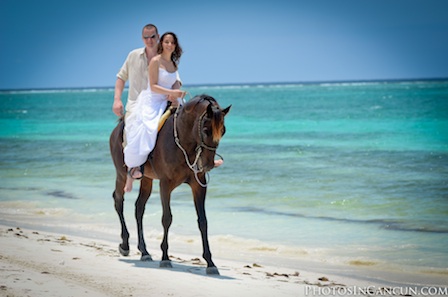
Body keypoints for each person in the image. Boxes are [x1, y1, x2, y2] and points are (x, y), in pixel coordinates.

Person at [123, 32, 186, 192]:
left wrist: (176, 94)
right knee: (148, 128)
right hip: (153, 100)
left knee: (189, 124)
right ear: (162, 43)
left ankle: (199, 162)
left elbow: (175, 83)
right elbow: (153, 86)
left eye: (172, 42)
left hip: (170, 99)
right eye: (166, 42)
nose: (169, 45)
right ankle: (134, 168)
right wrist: (172, 93)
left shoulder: (173, 64)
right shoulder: (155, 61)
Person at [112, 24, 181, 131]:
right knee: (131, 138)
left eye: (152, 37)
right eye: (146, 37)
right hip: (135, 106)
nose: (149, 40)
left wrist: (174, 94)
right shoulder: (133, 55)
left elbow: (175, 80)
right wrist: (117, 100)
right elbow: (121, 78)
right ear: (142, 38)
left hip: (162, 103)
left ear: (158, 36)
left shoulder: (167, 56)